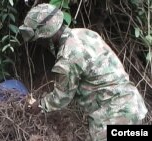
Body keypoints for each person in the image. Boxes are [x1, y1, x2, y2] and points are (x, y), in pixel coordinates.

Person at [18, 3, 148, 141]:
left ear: (46, 35)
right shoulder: (85, 33)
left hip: (113, 117)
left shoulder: (68, 56)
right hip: (132, 105)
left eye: (39, 40)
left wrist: (39, 105)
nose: (40, 44)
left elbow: (61, 98)